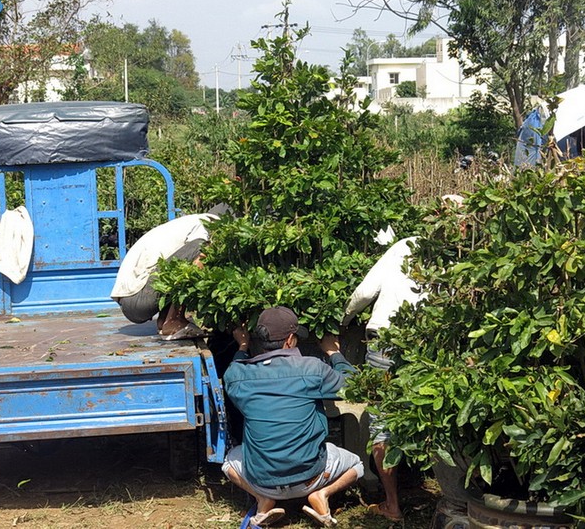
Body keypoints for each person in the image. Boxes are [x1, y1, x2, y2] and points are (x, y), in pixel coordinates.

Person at [222, 307, 364, 528]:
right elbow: (353, 385)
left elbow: (232, 370)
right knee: (357, 465)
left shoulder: (239, 377)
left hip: (262, 480)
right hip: (311, 476)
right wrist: (333, 352)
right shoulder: (312, 369)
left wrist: (242, 345)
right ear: (290, 340)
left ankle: (263, 498)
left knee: (229, 461)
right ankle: (322, 495)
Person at [341, 236, 423, 522]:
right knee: (424, 412)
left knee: (382, 421)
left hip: (386, 341)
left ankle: (392, 504)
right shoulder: (460, 256)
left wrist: (346, 318)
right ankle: (423, 485)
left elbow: (364, 293)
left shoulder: (406, 245)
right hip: (424, 344)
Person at [110, 206, 226, 338]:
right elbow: (195, 263)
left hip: (132, 300)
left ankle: (164, 319)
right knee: (204, 251)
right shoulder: (205, 227)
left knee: (182, 261)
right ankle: (173, 320)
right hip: (137, 298)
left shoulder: (190, 223)